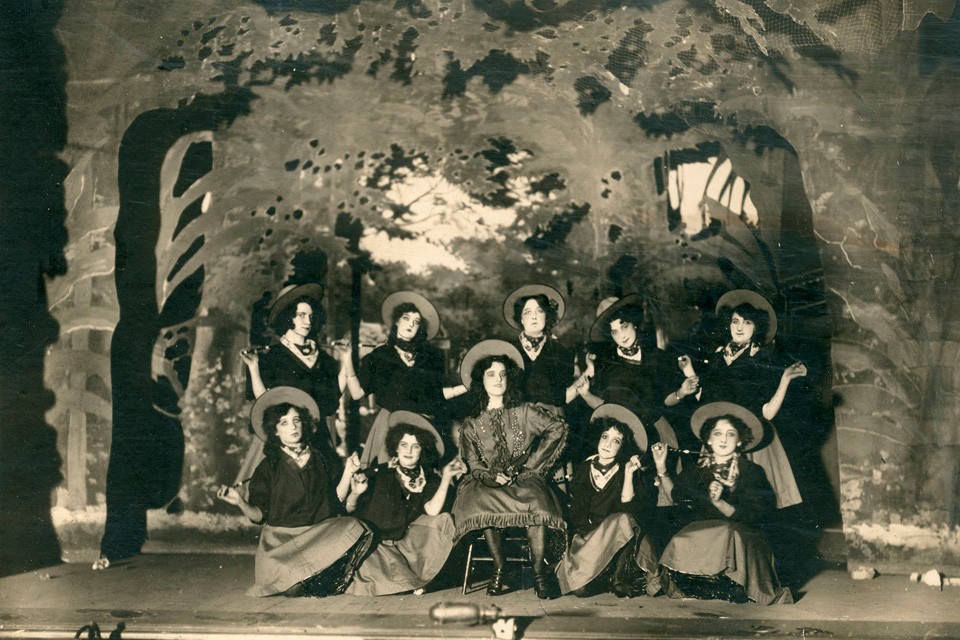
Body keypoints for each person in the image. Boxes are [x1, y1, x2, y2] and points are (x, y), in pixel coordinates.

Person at [215, 387, 372, 597]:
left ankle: (309, 579)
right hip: (281, 545)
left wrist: (348, 472)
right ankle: (308, 579)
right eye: (284, 423)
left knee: (354, 526)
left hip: (316, 536)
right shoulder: (268, 467)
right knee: (287, 578)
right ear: (275, 431)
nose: (293, 427)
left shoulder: (321, 459)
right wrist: (240, 502)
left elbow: (335, 501)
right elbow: (259, 516)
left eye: (297, 420)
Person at [451, 340, 567, 599]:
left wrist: (531, 466)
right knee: (483, 500)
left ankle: (539, 574)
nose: (498, 379)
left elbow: (556, 428)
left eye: (503, 374)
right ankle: (499, 568)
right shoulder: (472, 422)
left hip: (523, 477)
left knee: (537, 501)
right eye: (491, 374)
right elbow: (473, 462)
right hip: (487, 482)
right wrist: (490, 476)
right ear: (481, 380)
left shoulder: (524, 411)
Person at [668, 289, 805, 509]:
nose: (739, 327)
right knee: (711, 503)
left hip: (752, 439)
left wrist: (785, 379)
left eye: (747, 322)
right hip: (719, 439)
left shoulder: (762, 359)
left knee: (750, 507)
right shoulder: (718, 356)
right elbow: (706, 398)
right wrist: (689, 370)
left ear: (756, 327)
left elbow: (768, 412)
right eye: (735, 321)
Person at [659, 402, 793, 605]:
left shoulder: (751, 471)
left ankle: (730, 582)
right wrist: (661, 468)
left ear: (739, 441)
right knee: (683, 536)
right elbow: (676, 496)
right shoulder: (696, 471)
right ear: (708, 440)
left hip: (741, 534)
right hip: (701, 533)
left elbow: (756, 514)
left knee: (727, 532)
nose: (723, 439)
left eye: (731, 434)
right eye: (717, 433)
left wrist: (719, 502)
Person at [344, 412, 467, 595]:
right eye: (404, 445)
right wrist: (355, 493)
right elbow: (349, 508)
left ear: (423, 450)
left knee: (443, 520)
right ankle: (411, 580)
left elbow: (432, 511)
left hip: (408, 547)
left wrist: (446, 477)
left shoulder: (429, 479)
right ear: (396, 447)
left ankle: (416, 577)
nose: (408, 451)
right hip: (376, 548)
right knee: (381, 579)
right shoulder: (378, 474)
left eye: (415, 446)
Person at [237, 284, 347, 489]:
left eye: (311, 316)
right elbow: (265, 401)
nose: (308, 321)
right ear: (288, 317)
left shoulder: (323, 358)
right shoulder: (272, 356)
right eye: (301, 315)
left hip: (317, 436)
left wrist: (346, 360)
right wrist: (253, 367)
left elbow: (333, 397)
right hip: (284, 436)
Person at [340, 291, 467, 465]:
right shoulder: (379, 356)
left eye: (416, 322)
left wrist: (465, 387)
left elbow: (437, 394)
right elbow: (356, 393)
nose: (411, 324)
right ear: (397, 322)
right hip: (389, 425)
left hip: (420, 425)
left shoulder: (429, 357)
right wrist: (346, 359)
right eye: (406, 318)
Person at [555, 404, 665, 598]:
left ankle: (618, 578)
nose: (607, 444)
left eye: (616, 441)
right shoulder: (586, 467)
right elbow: (577, 511)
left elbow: (628, 513)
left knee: (623, 519)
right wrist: (588, 534)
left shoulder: (627, 470)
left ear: (623, 446)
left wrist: (629, 474)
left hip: (618, 537)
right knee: (580, 590)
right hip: (588, 536)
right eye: (605, 437)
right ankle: (605, 576)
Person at [578, 294, 684, 452]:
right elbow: (604, 407)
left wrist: (682, 392)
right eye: (614, 332)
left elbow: (667, 399)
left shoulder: (658, 357)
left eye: (624, 326)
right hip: (619, 437)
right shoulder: (605, 364)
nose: (622, 335)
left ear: (634, 323)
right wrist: (586, 395)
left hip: (653, 433)